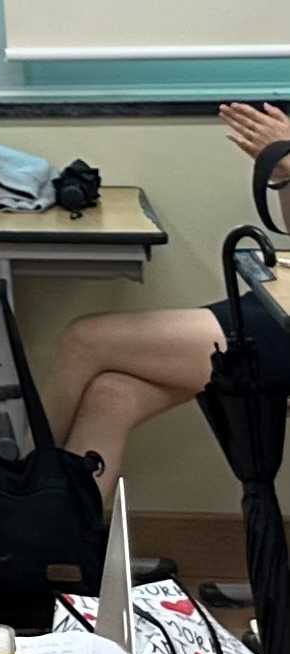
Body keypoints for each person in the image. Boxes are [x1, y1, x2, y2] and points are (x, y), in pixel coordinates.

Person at [41, 103, 290, 493]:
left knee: (85, 339)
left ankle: (21, 494)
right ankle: (54, 526)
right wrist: (282, 173)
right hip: (275, 305)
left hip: (283, 325)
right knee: (111, 395)